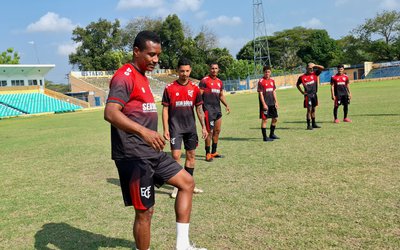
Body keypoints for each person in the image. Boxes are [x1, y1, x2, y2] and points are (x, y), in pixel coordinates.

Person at [104, 31, 206, 250]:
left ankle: (183, 245)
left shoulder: (142, 76)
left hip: (151, 152)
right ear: (136, 51)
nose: (156, 60)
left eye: (158, 55)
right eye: (151, 54)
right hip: (133, 155)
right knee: (145, 211)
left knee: (186, 183)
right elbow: (111, 113)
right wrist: (144, 132)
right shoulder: (124, 76)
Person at [162, 57, 208, 198]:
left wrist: (204, 127)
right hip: (175, 128)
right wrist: (165, 129)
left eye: (187, 71)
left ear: (190, 70)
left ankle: (189, 184)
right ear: (177, 71)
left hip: (190, 128)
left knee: (191, 156)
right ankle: (177, 186)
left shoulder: (194, 88)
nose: (185, 74)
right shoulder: (169, 88)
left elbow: (199, 109)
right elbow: (164, 110)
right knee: (176, 156)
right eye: (182, 71)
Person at [199, 63, 231, 162]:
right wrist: (200, 109)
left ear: (218, 70)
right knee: (209, 132)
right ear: (210, 69)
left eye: (216, 68)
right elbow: (199, 96)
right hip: (208, 110)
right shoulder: (204, 81)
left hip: (217, 110)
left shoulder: (219, 82)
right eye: (212, 68)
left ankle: (214, 152)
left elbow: (221, 95)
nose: (214, 70)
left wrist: (226, 105)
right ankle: (207, 153)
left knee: (217, 131)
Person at [296, 62, 325, 130]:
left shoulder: (315, 74)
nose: (311, 69)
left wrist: (315, 65)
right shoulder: (302, 77)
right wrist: (302, 92)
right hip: (307, 96)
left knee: (314, 109)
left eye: (312, 68)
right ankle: (308, 125)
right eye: (309, 68)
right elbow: (297, 85)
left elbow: (322, 68)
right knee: (309, 109)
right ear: (306, 68)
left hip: (314, 94)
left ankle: (314, 124)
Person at [257, 65, 280, 141]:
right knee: (265, 120)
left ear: (270, 72)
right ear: (264, 72)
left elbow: (274, 92)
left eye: (268, 72)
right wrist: (264, 104)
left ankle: (272, 134)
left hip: (272, 103)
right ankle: (265, 137)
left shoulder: (272, 81)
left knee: (275, 118)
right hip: (265, 104)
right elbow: (260, 94)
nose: (267, 73)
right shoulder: (261, 81)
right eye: (266, 72)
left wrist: (276, 102)